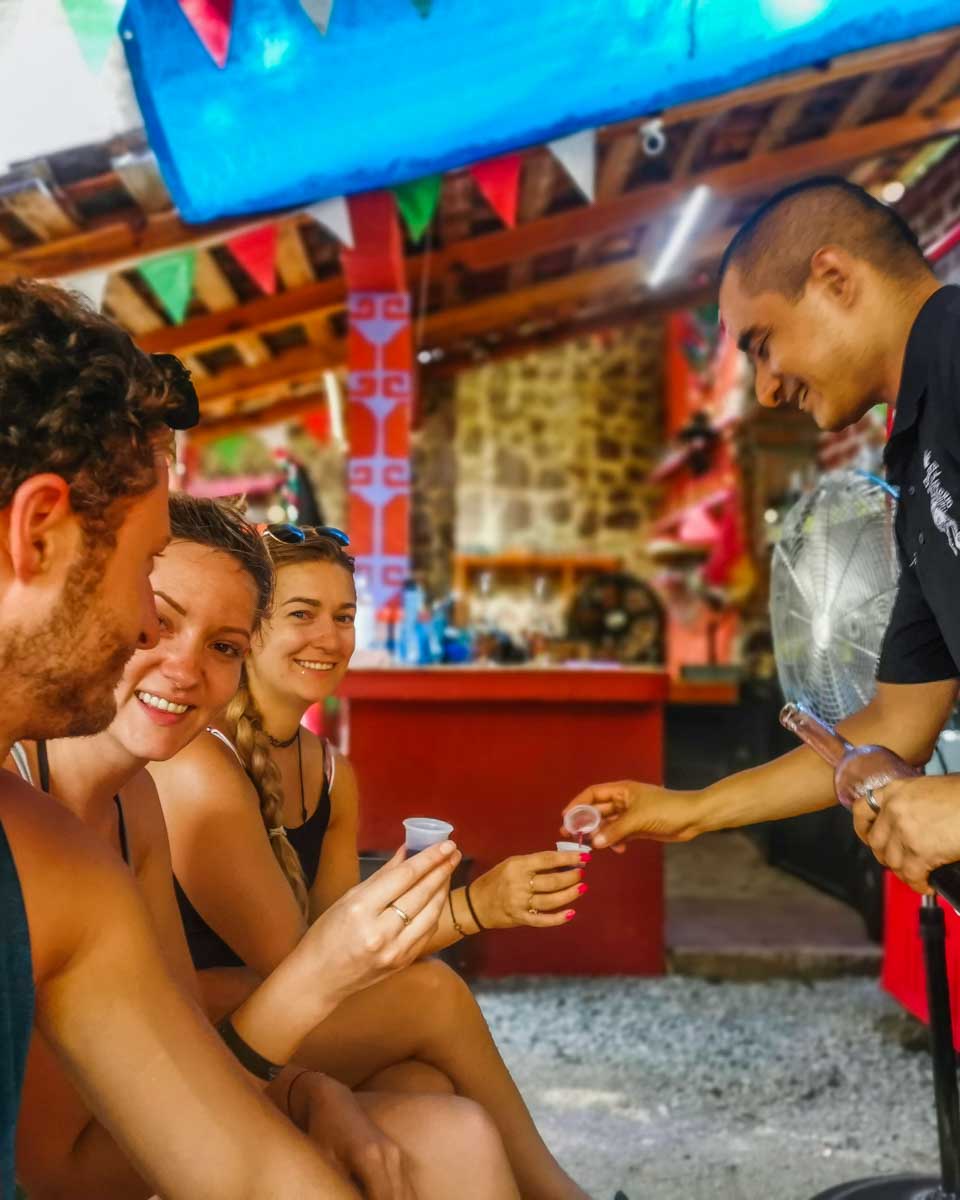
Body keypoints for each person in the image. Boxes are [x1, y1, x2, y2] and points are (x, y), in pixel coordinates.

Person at [0, 277, 428, 1200]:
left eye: (222, 644)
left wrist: (312, 1091)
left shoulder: (52, 861)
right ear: (36, 533)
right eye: (148, 573)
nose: (151, 639)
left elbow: (236, 1165)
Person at [12, 492, 518, 1200]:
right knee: (433, 1014)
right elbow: (73, 1176)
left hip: (172, 1111)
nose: (185, 668)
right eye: (158, 624)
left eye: (221, 647)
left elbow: (183, 1048)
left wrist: (313, 1092)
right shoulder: (34, 815)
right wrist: (464, 914)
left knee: (444, 1121)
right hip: (101, 1168)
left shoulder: (138, 803)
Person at [149, 524, 592, 1200]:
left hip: (294, 1017)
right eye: (301, 614)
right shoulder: (202, 767)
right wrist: (474, 908)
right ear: (252, 630)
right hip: (205, 1034)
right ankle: (563, 1196)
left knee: (430, 1091)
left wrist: (436, 901)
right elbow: (303, 962)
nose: (328, 637)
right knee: (433, 995)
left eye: (344, 616)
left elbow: (341, 951)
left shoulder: (330, 772)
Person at [564, 176, 960, 897]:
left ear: (835, 278)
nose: (767, 388)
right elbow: (896, 722)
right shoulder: (916, 468)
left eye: (762, 343)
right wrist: (691, 811)